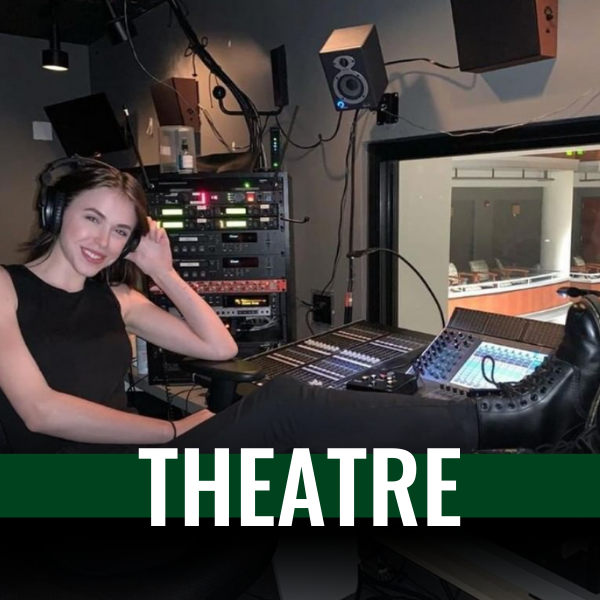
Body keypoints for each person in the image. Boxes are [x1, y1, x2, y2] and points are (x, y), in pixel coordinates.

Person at [1, 160, 599, 455]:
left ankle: (510, 423)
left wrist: (162, 271)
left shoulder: (119, 298)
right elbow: (40, 412)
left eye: (120, 232)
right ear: (56, 214)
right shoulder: (3, 288)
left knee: (299, 430)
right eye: (91, 218)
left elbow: (220, 347)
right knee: (285, 405)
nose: (102, 241)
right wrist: (174, 429)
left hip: (139, 461)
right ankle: (517, 419)